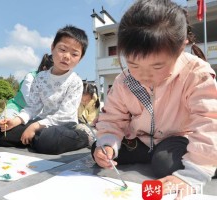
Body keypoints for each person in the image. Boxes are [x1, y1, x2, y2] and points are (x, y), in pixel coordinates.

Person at [91, 0, 217, 198]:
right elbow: (112, 119)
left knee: (165, 163)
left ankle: (210, 161)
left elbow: (209, 122)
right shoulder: (124, 81)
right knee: (100, 149)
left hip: (179, 138)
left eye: (157, 67)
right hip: (142, 139)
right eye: (133, 64)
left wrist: (194, 173)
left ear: (180, 47)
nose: (143, 75)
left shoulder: (197, 74)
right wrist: (108, 144)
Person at [0, 25, 92, 154]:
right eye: (62, 49)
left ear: (80, 58)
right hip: (42, 123)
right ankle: (36, 140)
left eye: (74, 54)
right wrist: (16, 121)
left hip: (65, 125)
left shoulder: (75, 82)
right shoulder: (40, 77)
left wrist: (34, 127)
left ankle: (83, 137)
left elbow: (64, 116)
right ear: (52, 48)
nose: (67, 56)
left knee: (47, 140)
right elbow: (32, 107)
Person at [0, 53, 54, 129]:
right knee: (5, 123)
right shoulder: (30, 77)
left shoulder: (54, 82)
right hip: (17, 109)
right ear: (44, 68)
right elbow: (31, 102)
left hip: (33, 113)